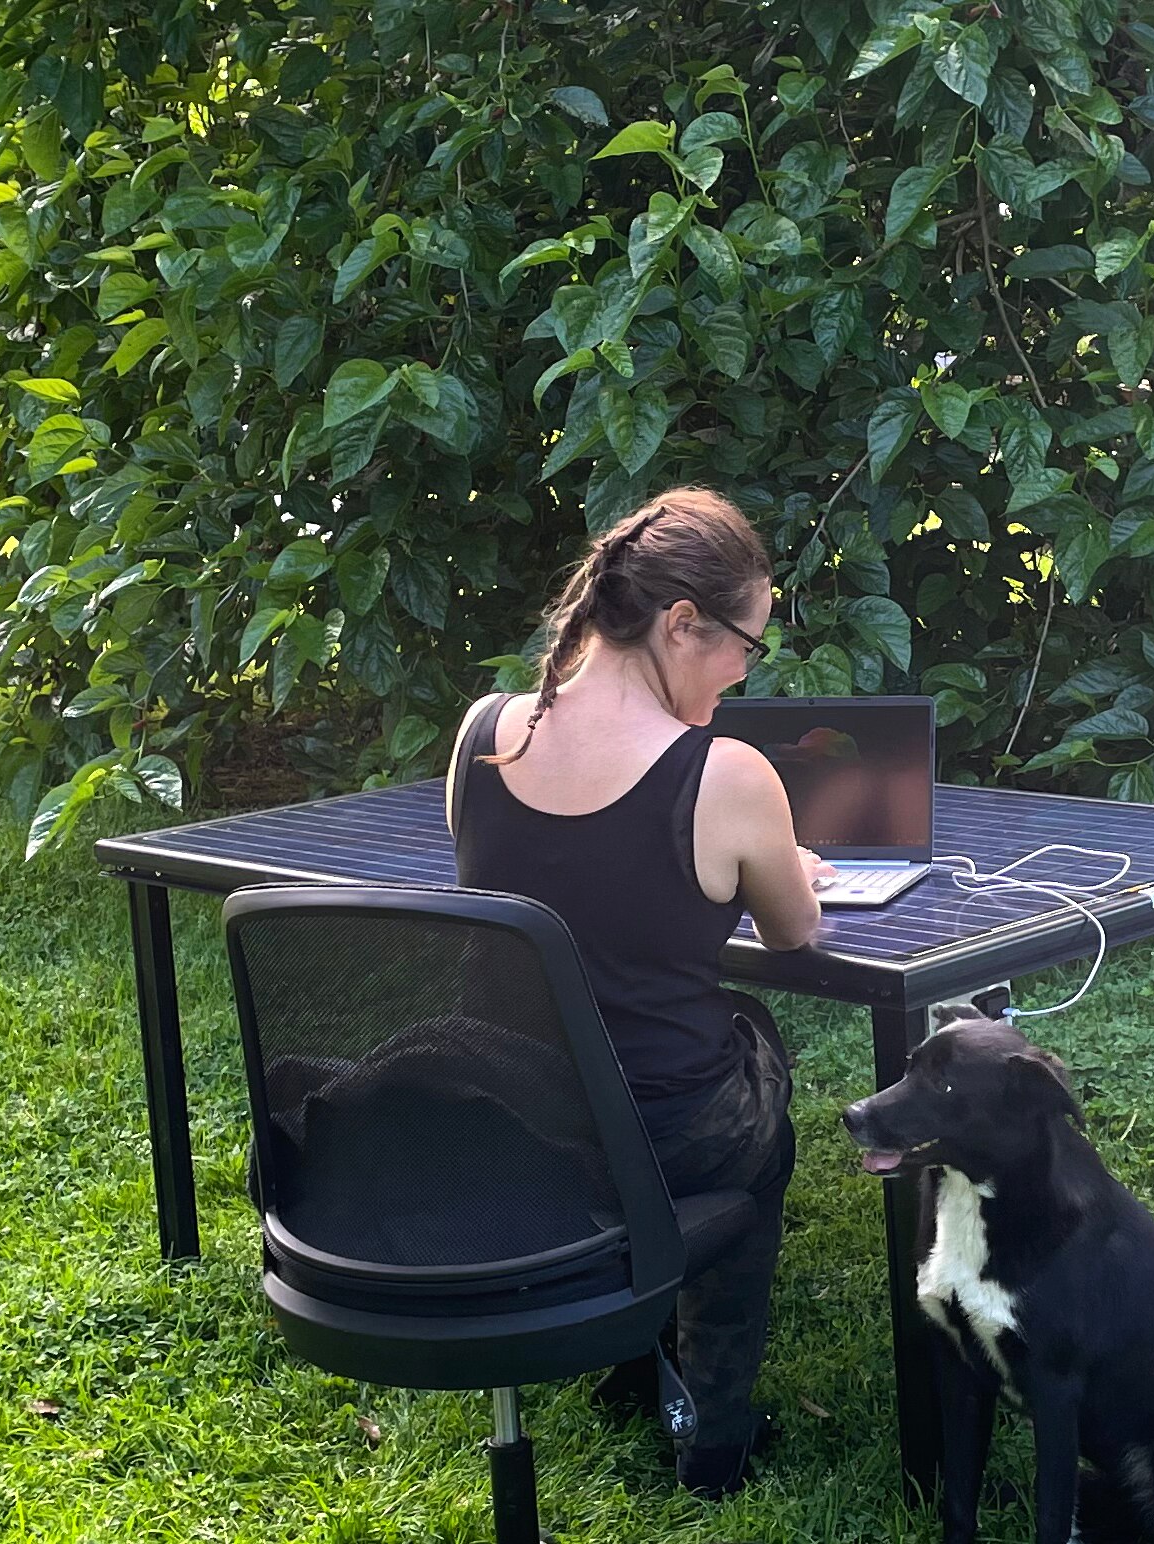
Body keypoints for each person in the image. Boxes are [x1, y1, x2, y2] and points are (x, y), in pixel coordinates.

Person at [443, 486, 836, 1499]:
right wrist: (788, 859)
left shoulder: (483, 734)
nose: (747, 669)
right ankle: (714, 1436)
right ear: (679, 623)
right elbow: (796, 930)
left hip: (519, 1108)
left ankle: (629, 1366)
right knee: (757, 1101)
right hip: (671, 1123)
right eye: (744, 642)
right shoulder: (727, 774)